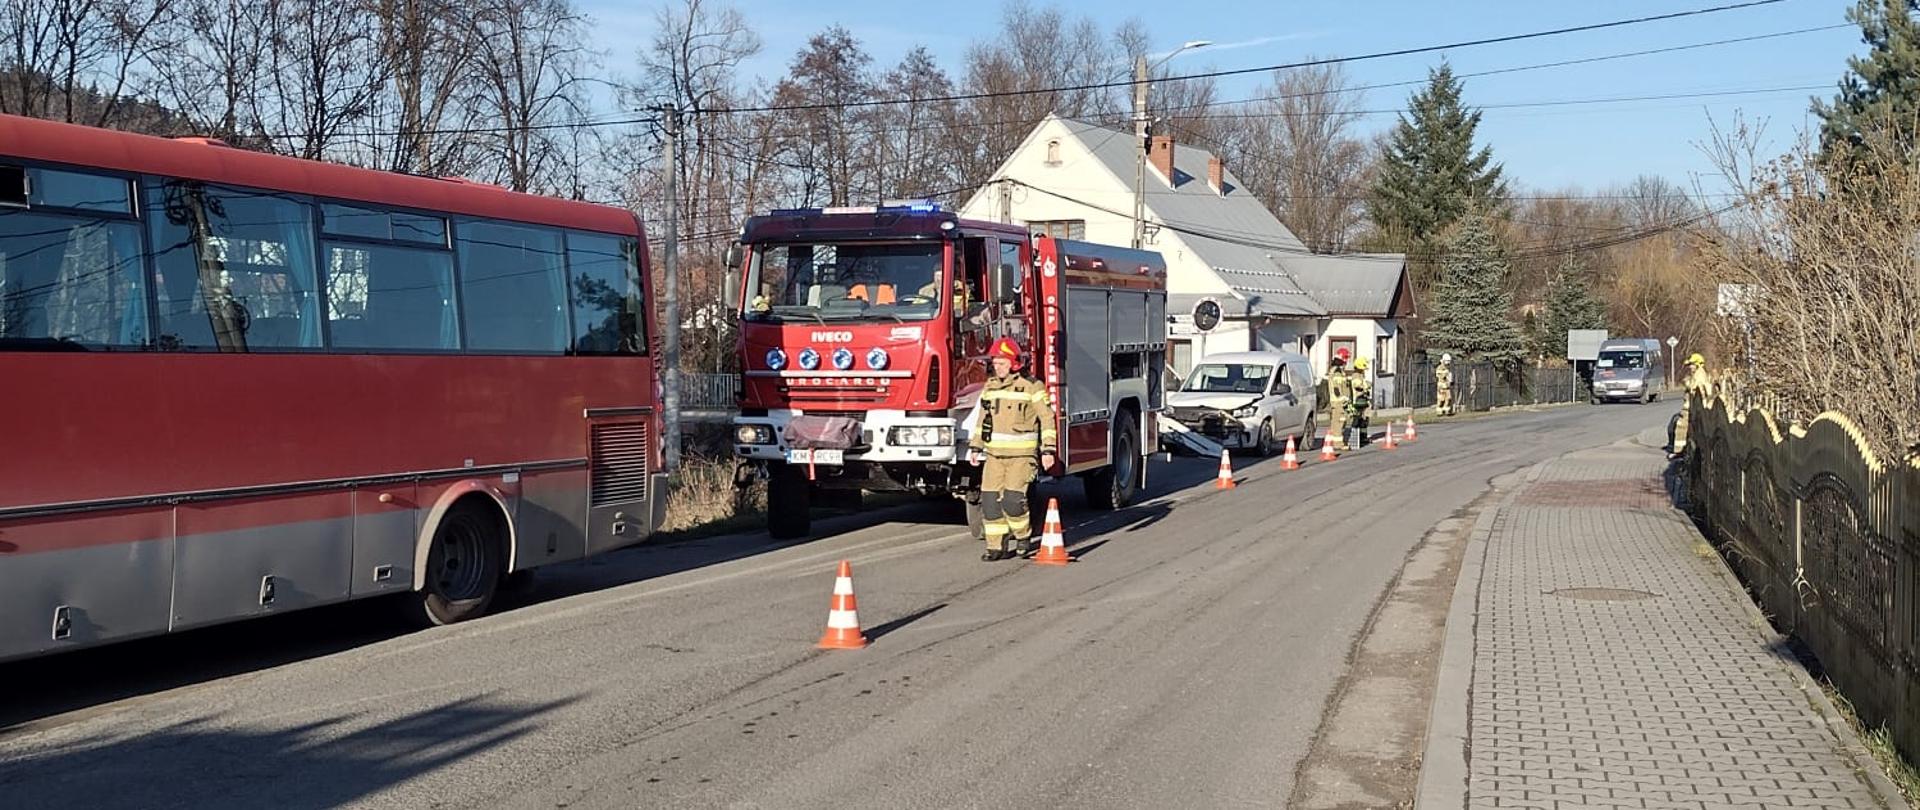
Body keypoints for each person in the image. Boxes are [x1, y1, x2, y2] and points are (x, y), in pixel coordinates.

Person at [969, 337, 1057, 561]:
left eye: (1001, 362)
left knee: (1012, 500)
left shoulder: (1032, 387)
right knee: (989, 502)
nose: (996, 366)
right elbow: (983, 421)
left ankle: (1023, 536)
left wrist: (1048, 450)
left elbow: (1047, 419)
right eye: (994, 362)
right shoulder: (990, 388)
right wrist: (976, 447)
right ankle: (995, 547)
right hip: (994, 457)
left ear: (1013, 363)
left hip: (1022, 457)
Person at [1671, 353, 1711, 458]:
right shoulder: (1696, 373)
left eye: (1692, 364)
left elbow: (1695, 389)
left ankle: (1679, 451)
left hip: (1692, 408)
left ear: (1698, 364)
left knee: (1681, 426)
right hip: (1691, 407)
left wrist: (1687, 383)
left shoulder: (1699, 375)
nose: (1690, 367)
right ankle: (1683, 450)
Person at [1323, 348, 1353, 452]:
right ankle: (1338, 443)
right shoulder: (1337, 371)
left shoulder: (1337, 370)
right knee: (1339, 422)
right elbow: (1337, 388)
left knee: (1337, 422)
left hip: (1338, 401)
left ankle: (1334, 442)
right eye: (1346, 358)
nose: (1347, 361)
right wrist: (1342, 397)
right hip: (1338, 402)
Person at [1349, 356, 1374, 446]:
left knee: (1364, 420)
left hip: (1363, 400)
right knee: (1357, 420)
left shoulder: (1361, 375)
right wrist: (1366, 386)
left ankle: (1363, 437)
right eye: (1363, 368)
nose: (1364, 370)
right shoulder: (1356, 375)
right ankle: (1355, 438)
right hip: (1358, 401)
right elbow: (1357, 386)